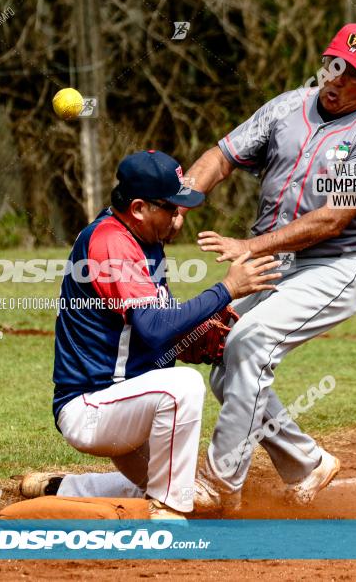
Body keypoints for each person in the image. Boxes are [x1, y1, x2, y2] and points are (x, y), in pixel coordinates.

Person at [175, 23, 356, 511]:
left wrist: (251, 248)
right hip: (275, 259)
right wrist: (179, 200)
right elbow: (222, 156)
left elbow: (333, 219)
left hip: (331, 267)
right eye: (334, 65)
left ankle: (219, 484)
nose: (337, 80)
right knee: (226, 368)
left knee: (250, 345)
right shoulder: (286, 107)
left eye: (354, 74)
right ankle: (306, 462)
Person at [20, 150, 281, 520]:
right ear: (140, 208)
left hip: (131, 406)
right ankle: (168, 511)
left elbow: (158, 326)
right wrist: (224, 291)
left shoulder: (142, 237)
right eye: (171, 208)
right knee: (184, 386)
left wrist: (197, 336)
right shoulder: (111, 243)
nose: (178, 217)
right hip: (93, 408)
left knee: (205, 498)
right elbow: (156, 330)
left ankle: (61, 488)